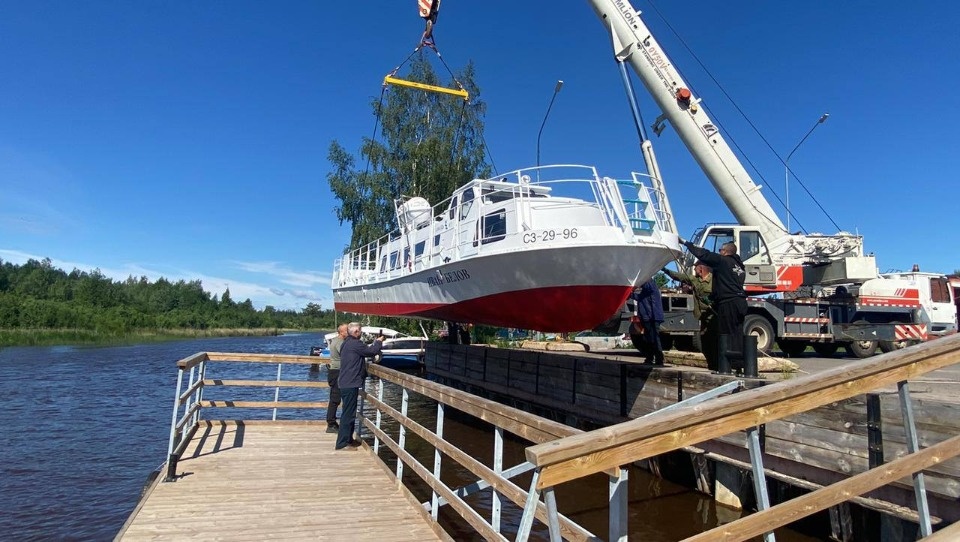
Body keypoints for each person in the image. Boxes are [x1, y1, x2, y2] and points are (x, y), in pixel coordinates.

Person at [681, 240, 747, 369]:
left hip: (728, 303)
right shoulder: (739, 266)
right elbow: (727, 282)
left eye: (720, 251)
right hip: (740, 302)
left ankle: (726, 365)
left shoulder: (723, 261)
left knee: (724, 334)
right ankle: (740, 363)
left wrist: (688, 245)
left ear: (725, 251)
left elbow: (705, 255)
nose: (719, 252)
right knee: (737, 334)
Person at [335, 322, 384, 451]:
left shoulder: (347, 343)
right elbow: (371, 351)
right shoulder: (355, 344)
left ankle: (348, 440)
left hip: (346, 382)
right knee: (348, 414)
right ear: (356, 332)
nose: (361, 332)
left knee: (349, 412)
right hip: (350, 383)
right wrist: (378, 342)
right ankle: (342, 443)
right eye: (360, 331)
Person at [663, 262, 717, 370]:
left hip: (713, 317)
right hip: (702, 318)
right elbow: (679, 277)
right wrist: (665, 269)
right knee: (705, 344)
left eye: (695, 268)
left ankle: (718, 365)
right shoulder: (695, 280)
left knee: (715, 342)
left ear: (700, 269)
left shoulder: (715, 281)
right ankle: (712, 365)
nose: (694, 271)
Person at [632, 279, 665, 365]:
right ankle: (650, 358)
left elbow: (646, 288)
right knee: (648, 339)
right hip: (647, 317)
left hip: (652, 317)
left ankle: (658, 359)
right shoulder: (646, 290)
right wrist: (630, 295)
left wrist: (638, 283)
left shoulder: (650, 285)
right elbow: (640, 298)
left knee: (654, 339)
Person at [325, 324, 348, 434]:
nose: (348, 331)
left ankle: (332, 422)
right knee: (335, 399)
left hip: (334, 371)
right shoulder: (340, 343)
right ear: (341, 332)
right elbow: (346, 355)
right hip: (337, 372)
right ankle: (331, 423)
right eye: (347, 330)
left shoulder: (336, 341)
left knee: (334, 398)